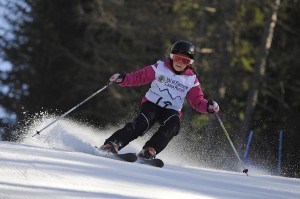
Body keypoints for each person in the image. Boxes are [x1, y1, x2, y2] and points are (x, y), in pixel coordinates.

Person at [100, 40, 219, 159]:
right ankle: (113, 143)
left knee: (173, 126)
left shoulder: (191, 79)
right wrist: (123, 79)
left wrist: (208, 106)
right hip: (152, 104)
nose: (180, 63)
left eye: (185, 61)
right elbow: (139, 77)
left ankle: (150, 150)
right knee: (142, 124)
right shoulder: (159, 68)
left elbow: (197, 100)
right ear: (172, 57)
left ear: (190, 63)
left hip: (172, 109)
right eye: (178, 58)